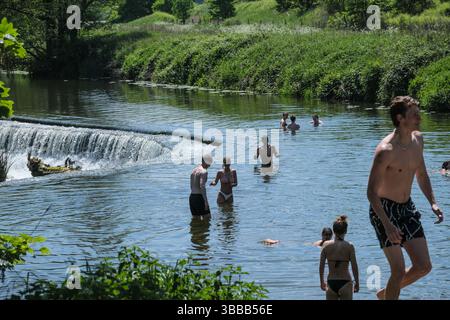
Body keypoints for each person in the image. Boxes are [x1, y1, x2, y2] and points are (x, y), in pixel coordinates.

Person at [367, 96, 444, 300]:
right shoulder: (385, 151)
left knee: (423, 266)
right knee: (398, 271)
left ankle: (385, 294)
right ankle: (391, 293)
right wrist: (388, 225)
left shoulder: (418, 140)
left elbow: (421, 174)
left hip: (406, 207)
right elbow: (371, 193)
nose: (419, 116)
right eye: (414, 113)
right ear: (400, 118)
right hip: (384, 210)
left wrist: (433, 202)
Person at [319, 216, 359, 300]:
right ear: (346, 231)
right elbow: (354, 266)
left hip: (331, 282)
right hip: (345, 282)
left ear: (333, 231)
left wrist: (321, 282)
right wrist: (357, 282)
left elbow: (321, 266)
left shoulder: (325, 245)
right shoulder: (349, 246)